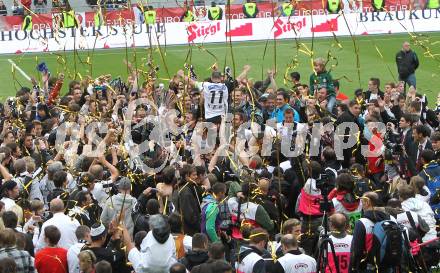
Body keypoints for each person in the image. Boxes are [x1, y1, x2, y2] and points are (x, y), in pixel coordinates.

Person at [350, 192, 395, 273]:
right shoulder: (391, 219)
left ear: (367, 202)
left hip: (368, 267)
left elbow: (357, 251)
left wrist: (354, 268)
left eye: (362, 202)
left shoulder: (362, 223)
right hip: (389, 265)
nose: (361, 205)